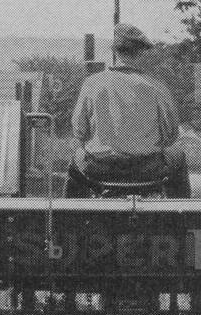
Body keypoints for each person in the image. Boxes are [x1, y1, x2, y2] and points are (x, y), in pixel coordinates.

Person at [67, 24, 191, 198]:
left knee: (75, 154)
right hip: (148, 169)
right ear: (141, 53)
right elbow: (171, 134)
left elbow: (79, 131)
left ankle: (70, 219)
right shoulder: (157, 87)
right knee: (178, 155)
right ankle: (178, 218)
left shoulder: (92, 83)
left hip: (101, 169)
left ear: (114, 51)